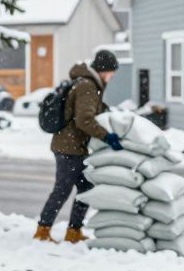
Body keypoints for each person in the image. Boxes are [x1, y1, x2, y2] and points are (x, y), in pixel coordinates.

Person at [35, 50, 123, 243]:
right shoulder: (87, 86)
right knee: (62, 190)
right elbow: (84, 120)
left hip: (75, 147)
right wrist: (107, 137)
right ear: (102, 70)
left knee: (86, 189)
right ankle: (42, 230)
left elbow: (90, 111)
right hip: (69, 148)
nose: (112, 77)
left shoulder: (87, 84)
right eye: (111, 72)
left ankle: (74, 231)